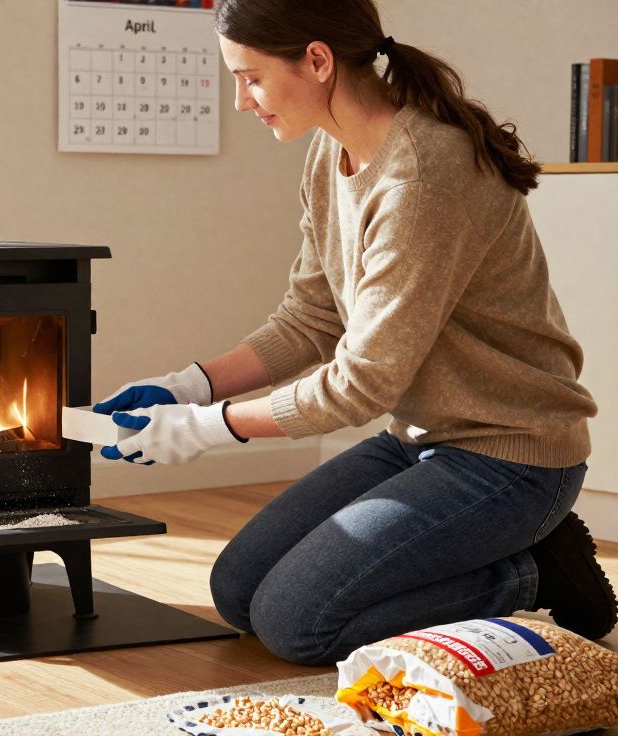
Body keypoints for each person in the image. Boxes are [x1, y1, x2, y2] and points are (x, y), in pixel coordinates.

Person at [92, 0, 615, 666]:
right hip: (419, 441)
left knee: (296, 624)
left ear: (317, 60)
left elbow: (362, 384)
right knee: (238, 589)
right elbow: (312, 317)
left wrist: (205, 427)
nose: (242, 101)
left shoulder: (424, 176)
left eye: (251, 78)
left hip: (511, 457)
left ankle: (533, 574)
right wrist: (187, 387)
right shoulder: (329, 152)